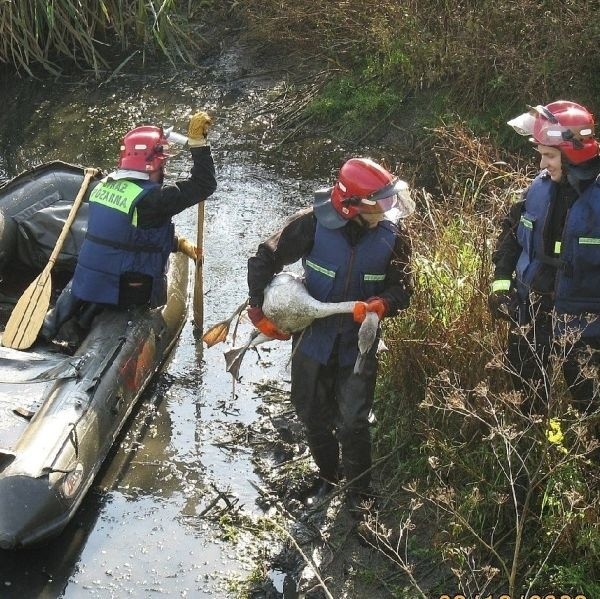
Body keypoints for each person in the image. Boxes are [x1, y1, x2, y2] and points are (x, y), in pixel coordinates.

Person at [247, 157, 414, 516]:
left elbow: (405, 287)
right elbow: (263, 258)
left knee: (354, 419)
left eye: (388, 202)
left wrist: (384, 303)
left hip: (360, 341)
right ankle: (328, 475)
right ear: (350, 205)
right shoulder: (311, 224)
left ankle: (360, 495)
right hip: (313, 335)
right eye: (378, 204)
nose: (387, 210)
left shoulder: (393, 235)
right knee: (311, 411)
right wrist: (258, 308)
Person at [41, 111, 217, 343]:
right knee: (126, 282)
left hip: (88, 276)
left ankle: (61, 325)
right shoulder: (153, 200)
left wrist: (177, 243)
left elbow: (126, 234)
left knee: (104, 272)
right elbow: (204, 184)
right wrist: (198, 145)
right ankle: (85, 325)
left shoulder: (103, 185)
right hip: (128, 288)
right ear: (155, 164)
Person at [489, 100, 600, 415]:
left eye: (549, 156)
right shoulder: (536, 191)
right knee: (528, 396)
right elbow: (511, 236)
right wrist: (500, 284)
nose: (541, 165)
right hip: (530, 311)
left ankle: (584, 460)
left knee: (588, 408)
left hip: (584, 326)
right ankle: (541, 445)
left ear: (573, 153)